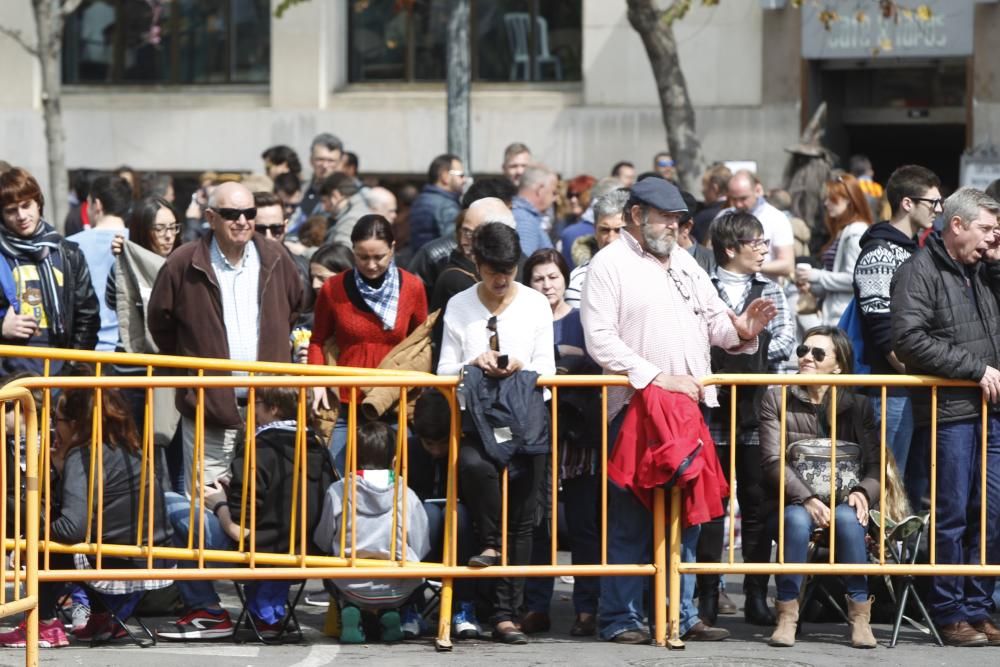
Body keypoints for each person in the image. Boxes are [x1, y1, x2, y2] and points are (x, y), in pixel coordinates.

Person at [580, 177, 776, 644]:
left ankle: (681, 613)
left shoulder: (685, 261)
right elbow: (600, 340)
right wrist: (655, 375)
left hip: (689, 406)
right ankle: (622, 618)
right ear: (635, 215)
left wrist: (744, 330)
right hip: (635, 406)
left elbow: (716, 325)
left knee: (690, 515)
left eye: (679, 219)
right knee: (630, 516)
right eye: (665, 217)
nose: (675, 225)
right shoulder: (608, 264)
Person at [891, 187, 1000, 647]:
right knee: (952, 514)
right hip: (950, 411)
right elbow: (909, 339)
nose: (993, 239)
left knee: (991, 514)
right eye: (987, 230)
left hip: (990, 413)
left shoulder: (984, 271)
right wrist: (975, 370)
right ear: (957, 225)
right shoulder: (919, 271)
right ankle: (950, 610)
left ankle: (980, 607)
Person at [437, 222, 555, 645]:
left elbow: (549, 366)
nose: (502, 279)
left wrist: (520, 363)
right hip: (479, 422)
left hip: (527, 420)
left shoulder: (537, 304)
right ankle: (490, 544)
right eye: (492, 271)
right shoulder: (458, 305)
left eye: (508, 269)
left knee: (524, 521)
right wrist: (476, 359)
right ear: (477, 264)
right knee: (473, 467)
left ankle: (507, 615)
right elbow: (444, 369)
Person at [148, 181, 305, 494]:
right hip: (210, 408)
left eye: (249, 212)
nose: (243, 221)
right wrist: (190, 369)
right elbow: (160, 323)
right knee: (205, 502)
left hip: (270, 410)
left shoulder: (276, 255)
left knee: (268, 499)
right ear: (211, 217)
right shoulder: (183, 262)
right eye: (232, 213)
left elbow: (296, 308)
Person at [158, 384, 336, 641]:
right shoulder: (320, 448)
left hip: (255, 553)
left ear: (273, 409)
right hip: (305, 556)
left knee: (168, 503)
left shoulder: (259, 449)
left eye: (255, 402)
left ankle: (206, 610)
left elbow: (240, 529)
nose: (248, 409)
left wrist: (218, 503)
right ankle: (254, 608)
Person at [0, 385, 172, 648]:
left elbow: (72, 529)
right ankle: (103, 617)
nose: (54, 428)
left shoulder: (84, 455)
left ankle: (44, 624)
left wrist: (29, 524)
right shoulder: (127, 448)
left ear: (76, 423)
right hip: (153, 560)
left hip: (117, 564)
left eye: (57, 421)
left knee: (41, 545)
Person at [700, 211, 795, 628]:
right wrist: (741, 344)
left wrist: (744, 348)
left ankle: (757, 592)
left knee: (758, 503)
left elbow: (787, 341)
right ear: (730, 248)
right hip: (715, 411)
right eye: (754, 242)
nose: (763, 249)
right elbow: (698, 339)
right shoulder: (705, 288)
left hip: (759, 411)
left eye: (764, 241)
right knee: (711, 505)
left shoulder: (770, 288)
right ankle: (707, 591)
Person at [759, 326, 879, 649]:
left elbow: (875, 467)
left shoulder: (859, 404)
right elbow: (772, 461)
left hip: (843, 501)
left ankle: (859, 616)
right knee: (797, 520)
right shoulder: (777, 396)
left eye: (818, 353)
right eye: (803, 351)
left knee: (847, 517)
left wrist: (863, 492)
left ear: (838, 365)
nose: (806, 357)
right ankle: (787, 614)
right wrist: (807, 497)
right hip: (792, 502)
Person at [520, 248, 602, 637]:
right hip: (538, 431)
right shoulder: (524, 320)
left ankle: (588, 606)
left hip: (581, 433)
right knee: (540, 523)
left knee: (586, 523)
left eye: (553, 276)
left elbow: (596, 359)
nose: (547, 285)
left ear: (565, 278)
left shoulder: (582, 321)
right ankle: (537, 604)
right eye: (538, 278)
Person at [308, 214, 428, 474]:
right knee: (338, 474)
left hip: (393, 399)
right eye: (363, 257)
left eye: (379, 257)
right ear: (352, 252)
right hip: (344, 402)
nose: (371, 265)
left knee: (398, 477)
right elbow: (318, 339)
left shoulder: (413, 287)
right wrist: (316, 380)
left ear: (393, 248)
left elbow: (421, 342)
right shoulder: (333, 288)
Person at [853, 165, 941, 502]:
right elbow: (882, 329)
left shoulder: (913, 249)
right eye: (932, 202)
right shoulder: (879, 252)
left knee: (911, 484)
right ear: (907, 202)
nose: (937, 209)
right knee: (890, 483)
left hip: (909, 387)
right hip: (888, 389)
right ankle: (882, 554)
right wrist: (913, 371)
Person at [315, 421, 430, 644]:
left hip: (348, 582)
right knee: (412, 565)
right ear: (395, 461)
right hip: (399, 584)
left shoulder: (338, 490)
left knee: (329, 559)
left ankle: (351, 609)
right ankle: (391, 614)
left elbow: (323, 537)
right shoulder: (406, 493)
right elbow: (420, 542)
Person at [0, 167, 100, 375]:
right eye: (11, 210)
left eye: (26, 205)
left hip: (59, 378)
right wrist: (2, 326)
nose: (21, 216)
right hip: (10, 381)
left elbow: (87, 318)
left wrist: (71, 373)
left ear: (38, 203)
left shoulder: (68, 254)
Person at [407, 389, 482, 639]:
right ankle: (411, 606)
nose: (437, 451)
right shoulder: (409, 450)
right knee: (428, 512)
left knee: (457, 513)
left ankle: (464, 606)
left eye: (442, 443)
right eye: (430, 444)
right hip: (423, 534)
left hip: (462, 537)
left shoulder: (467, 452)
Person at [796, 173, 874, 328]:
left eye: (832, 199)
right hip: (836, 313)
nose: (826, 204)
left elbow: (854, 279)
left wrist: (816, 275)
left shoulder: (855, 232)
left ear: (849, 201)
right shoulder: (844, 230)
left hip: (844, 316)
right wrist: (813, 287)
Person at [67, 174, 133, 352]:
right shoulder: (140, 244)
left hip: (86, 349)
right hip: (131, 349)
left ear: (97, 205)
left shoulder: (70, 245)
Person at [429, 197, 516, 313]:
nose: (464, 241)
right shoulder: (455, 280)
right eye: (464, 231)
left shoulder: (531, 294)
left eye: (472, 234)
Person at [723, 170, 795, 281]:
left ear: (757, 190)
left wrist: (749, 265)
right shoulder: (724, 217)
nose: (738, 204)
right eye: (733, 199)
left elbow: (787, 265)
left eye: (743, 198)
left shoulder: (776, 218)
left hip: (763, 291)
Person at [564, 188, 628, 308]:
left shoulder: (652, 271)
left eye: (619, 230)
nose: (610, 238)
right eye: (605, 230)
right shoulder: (579, 282)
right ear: (595, 230)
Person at [559, 176, 621, 270]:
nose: (611, 238)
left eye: (618, 230)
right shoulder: (572, 233)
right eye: (570, 195)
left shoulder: (570, 231)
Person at [408, 154, 466, 252]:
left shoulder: (421, 199)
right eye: (461, 175)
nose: (464, 180)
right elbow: (453, 244)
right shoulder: (446, 205)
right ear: (445, 176)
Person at [290, 132, 344, 232]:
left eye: (331, 161)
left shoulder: (351, 194)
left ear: (340, 163)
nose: (325, 165)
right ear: (311, 160)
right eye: (320, 159)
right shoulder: (300, 190)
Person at [511, 165, 557, 256]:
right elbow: (522, 264)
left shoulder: (523, 216)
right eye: (553, 192)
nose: (555, 198)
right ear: (540, 189)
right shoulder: (524, 220)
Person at [692, 163, 731, 245]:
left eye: (705, 186)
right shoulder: (738, 210)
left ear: (715, 188)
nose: (702, 190)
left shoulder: (704, 217)